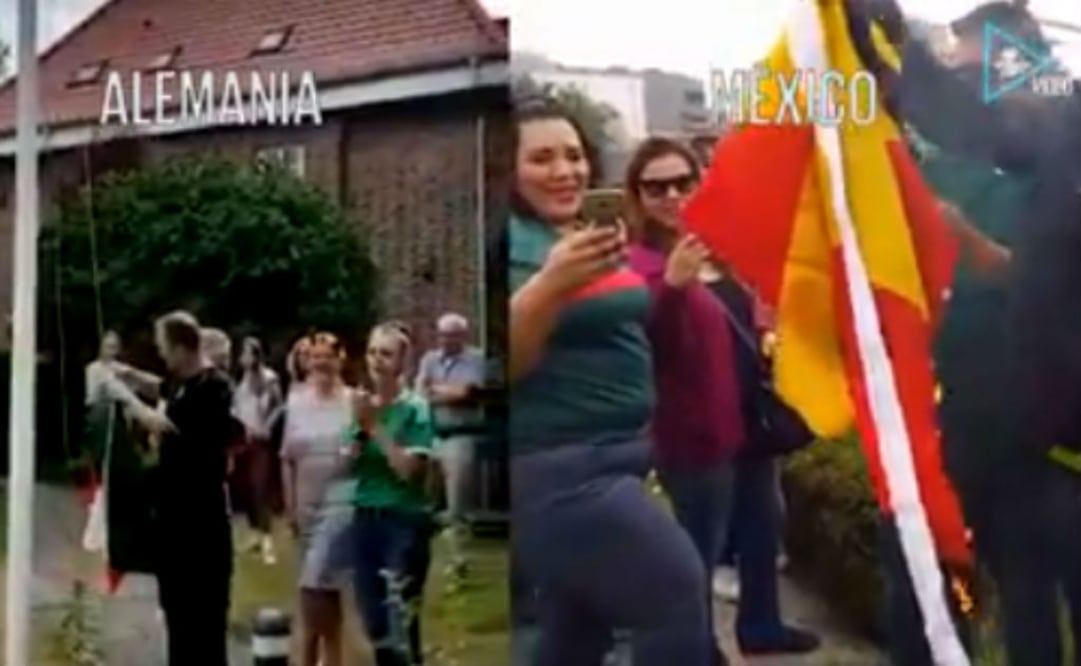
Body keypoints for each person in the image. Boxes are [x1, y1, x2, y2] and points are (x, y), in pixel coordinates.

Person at [508, 99, 710, 666]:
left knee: (576, 635)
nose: (564, 170)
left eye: (573, 156)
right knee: (676, 592)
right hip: (566, 472)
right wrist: (548, 287)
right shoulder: (518, 246)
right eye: (542, 158)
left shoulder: (570, 234)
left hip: (615, 459)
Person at [624, 137, 744, 666]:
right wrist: (671, 287)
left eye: (683, 183)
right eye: (656, 187)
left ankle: (706, 648)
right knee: (688, 563)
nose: (672, 195)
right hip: (681, 443)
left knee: (706, 554)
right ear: (636, 196)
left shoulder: (706, 245)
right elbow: (647, 342)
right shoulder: (639, 263)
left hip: (723, 436)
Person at [707, 269, 820, 655]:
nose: (673, 203)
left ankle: (761, 625)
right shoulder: (653, 266)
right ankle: (698, 641)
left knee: (763, 522)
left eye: (681, 200)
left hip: (750, 420)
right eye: (659, 200)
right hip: (701, 424)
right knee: (702, 534)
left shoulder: (731, 266)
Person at [347, 322, 436, 666]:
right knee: (373, 618)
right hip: (365, 515)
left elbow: (407, 470)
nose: (376, 360)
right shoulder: (363, 407)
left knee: (400, 614)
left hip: (403, 519)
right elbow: (350, 467)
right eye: (372, 352)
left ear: (403, 363)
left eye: (386, 353)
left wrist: (375, 428)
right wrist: (355, 438)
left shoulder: (415, 408)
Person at [151, 310, 235, 666]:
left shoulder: (213, 388)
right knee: (178, 621)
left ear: (183, 348)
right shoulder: (182, 386)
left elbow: (196, 445)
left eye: (165, 348)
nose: (162, 356)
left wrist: (154, 422)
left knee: (203, 625)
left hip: (201, 524)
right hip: (174, 524)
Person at [281, 332, 356, 666]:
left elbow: (364, 452)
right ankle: (327, 654)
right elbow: (287, 457)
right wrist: (290, 504)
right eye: (314, 356)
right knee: (323, 588)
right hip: (306, 501)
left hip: (341, 500)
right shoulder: (295, 400)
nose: (321, 362)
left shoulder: (353, 400)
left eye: (328, 355)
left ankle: (314, 654)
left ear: (341, 359)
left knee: (315, 584)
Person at [414, 312, 486, 574]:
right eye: (442, 335)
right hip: (430, 436)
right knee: (424, 500)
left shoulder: (476, 359)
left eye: (452, 335)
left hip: (460, 435)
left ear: (462, 336)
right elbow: (420, 394)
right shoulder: (429, 360)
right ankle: (421, 557)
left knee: (457, 503)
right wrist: (444, 391)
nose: (445, 340)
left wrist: (438, 389)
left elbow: (467, 392)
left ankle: (459, 560)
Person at [234, 336, 283, 565]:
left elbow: (279, 406)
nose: (243, 358)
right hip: (244, 439)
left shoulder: (269, 378)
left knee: (260, 487)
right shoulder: (242, 381)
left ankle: (267, 540)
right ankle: (255, 534)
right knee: (246, 488)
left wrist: (267, 427)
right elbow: (238, 407)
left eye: (247, 353)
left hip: (260, 439)